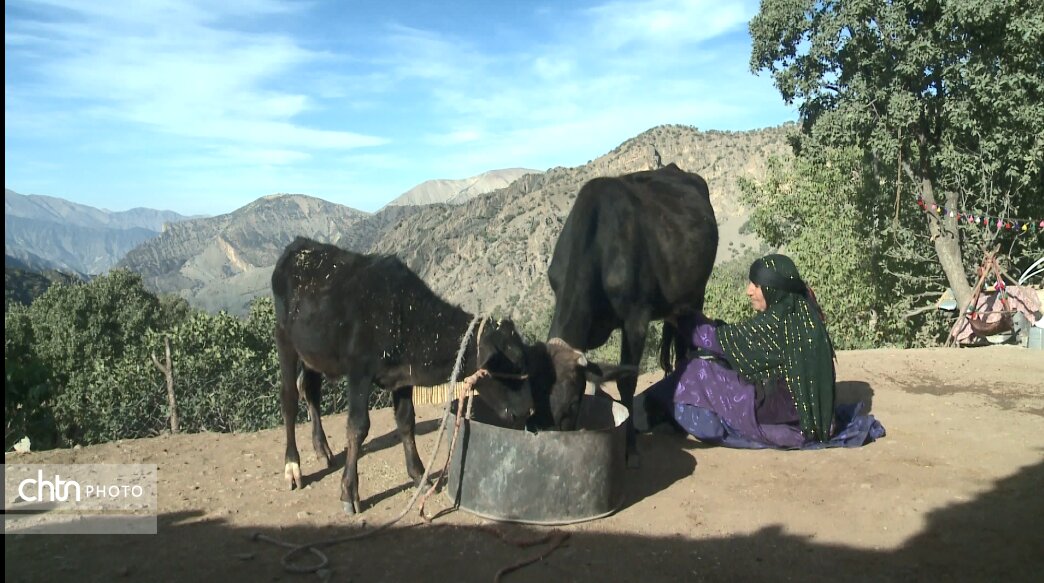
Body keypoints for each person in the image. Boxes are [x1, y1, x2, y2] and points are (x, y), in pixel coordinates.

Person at [634, 254, 884, 449]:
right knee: (714, 366)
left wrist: (677, 316)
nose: (749, 291)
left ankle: (633, 416)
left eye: (756, 285)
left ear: (773, 288)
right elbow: (740, 341)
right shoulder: (800, 310)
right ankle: (640, 412)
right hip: (800, 410)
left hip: (781, 414)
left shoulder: (779, 321)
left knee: (695, 373)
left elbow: (716, 339)